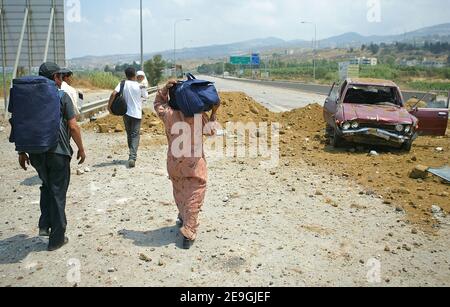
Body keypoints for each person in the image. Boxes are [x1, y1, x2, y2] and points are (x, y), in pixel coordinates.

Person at [18, 62, 86, 251]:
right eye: (60, 76)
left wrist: (21, 151)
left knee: (47, 186)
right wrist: (81, 149)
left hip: (36, 153)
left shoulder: (27, 99)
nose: (62, 80)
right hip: (58, 152)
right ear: (55, 77)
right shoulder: (62, 96)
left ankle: (44, 224)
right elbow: (73, 126)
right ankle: (57, 238)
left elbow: (20, 123)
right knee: (58, 192)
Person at [154, 80, 220, 249]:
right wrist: (214, 112)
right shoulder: (198, 117)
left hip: (174, 162)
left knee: (180, 190)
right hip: (194, 163)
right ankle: (189, 231)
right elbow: (212, 131)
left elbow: (157, 103)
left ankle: (183, 217)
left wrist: (164, 89)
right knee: (195, 192)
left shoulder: (167, 113)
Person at [108, 67, 149, 168]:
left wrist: (109, 107)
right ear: (135, 75)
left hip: (125, 113)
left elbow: (113, 94)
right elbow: (146, 97)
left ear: (126, 75)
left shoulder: (122, 83)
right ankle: (132, 157)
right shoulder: (141, 85)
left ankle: (131, 154)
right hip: (137, 114)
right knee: (135, 135)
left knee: (129, 134)